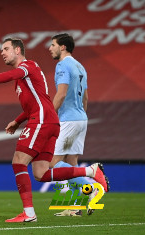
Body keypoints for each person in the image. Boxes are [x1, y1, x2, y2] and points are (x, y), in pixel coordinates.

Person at [0, 38, 109, 223]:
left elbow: (10, 76)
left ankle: (29, 213)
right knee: (41, 173)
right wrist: (18, 121)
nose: (2, 52)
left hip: (43, 121)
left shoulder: (28, 66)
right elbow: (32, 106)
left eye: (6, 49)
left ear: (18, 50)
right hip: (49, 120)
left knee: (19, 161)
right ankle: (90, 172)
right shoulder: (22, 79)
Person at [48, 33, 95, 217]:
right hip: (81, 118)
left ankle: (90, 186)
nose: (50, 48)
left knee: (54, 162)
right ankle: (75, 207)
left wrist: (48, 117)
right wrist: (81, 115)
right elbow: (86, 97)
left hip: (68, 119)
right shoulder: (80, 66)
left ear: (63, 47)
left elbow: (60, 94)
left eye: (53, 45)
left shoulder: (62, 65)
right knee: (71, 163)